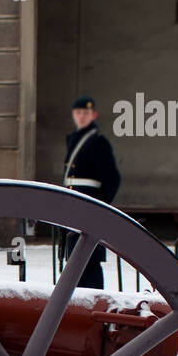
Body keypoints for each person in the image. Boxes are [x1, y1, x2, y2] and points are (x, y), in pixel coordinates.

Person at [62, 94, 120, 290]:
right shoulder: (74, 139)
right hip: (72, 208)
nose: (82, 116)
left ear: (93, 115)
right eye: (78, 113)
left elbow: (112, 179)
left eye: (85, 113)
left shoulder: (97, 142)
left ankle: (95, 306)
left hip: (88, 208)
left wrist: (99, 208)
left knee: (89, 262)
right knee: (74, 264)